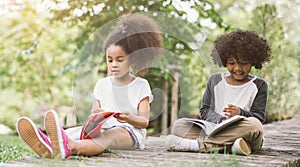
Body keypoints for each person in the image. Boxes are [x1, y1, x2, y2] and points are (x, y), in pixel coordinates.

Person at [16, 13, 163, 159]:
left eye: (120, 60)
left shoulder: (141, 85)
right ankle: (48, 144)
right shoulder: (102, 84)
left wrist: (129, 118)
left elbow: (144, 122)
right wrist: (97, 116)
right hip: (102, 128)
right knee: (75, 132)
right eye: (110, 60)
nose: (114, 65)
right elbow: (94, 112)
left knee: (109, 136)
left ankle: (70, 147)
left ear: (132, 60)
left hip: (129, 133)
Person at [165, 29, 271, 156]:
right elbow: (205, 111)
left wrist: (240, 113)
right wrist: (221, 121)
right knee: (179, 125)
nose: (237, 68)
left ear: (253, 62)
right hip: (214, 128)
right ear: (224, 60)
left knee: (254, 125)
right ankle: (232, 145)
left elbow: (258, 117)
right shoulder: (215, 80)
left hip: (244, 131)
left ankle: (197, 145)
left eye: (243, 63)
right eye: (232, 63)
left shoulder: (259, 85)